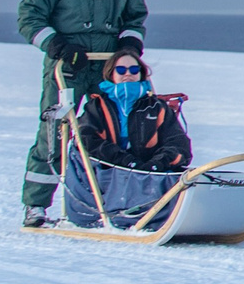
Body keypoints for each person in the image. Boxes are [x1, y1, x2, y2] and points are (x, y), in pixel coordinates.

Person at [18, 0, 148, 226]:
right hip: (68, 66)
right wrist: (58, 46)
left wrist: (129, 45)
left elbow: (135, 17)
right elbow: (29, 18)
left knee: (118, 130)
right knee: (55, 133)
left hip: (108, 66)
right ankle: (36, 206)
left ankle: (121, 201)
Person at [60, 46, 192, 229]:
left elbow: (178, 143)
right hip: (106, 173)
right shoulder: (97, 107)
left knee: (179, 170)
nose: (128, 74)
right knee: (81, 149)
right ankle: (114, 214)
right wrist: (126, 161)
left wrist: (157, 163)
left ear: (141, 74)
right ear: (111, 74)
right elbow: (88, 141)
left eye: (134, 70)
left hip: (147, 172)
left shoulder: (156, 107)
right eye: (121, 70)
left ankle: (174, 213)